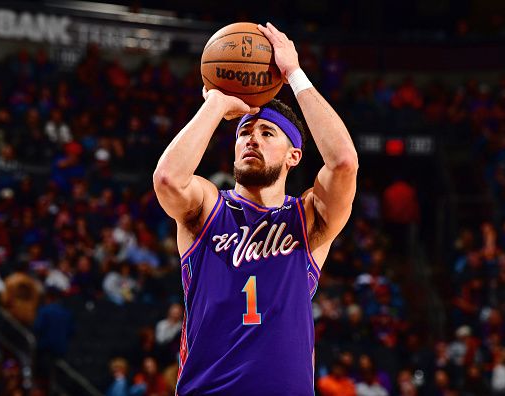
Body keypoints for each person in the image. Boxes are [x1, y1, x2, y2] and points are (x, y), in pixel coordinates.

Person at [153, 22, 358, 395]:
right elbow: (167, 179)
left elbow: (344, 161)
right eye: (245, 132)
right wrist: (215, 102)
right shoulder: (208, 207)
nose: (252, 139)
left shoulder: (308, 219)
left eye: (267, 133)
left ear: (294, 155)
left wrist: (294, 74)